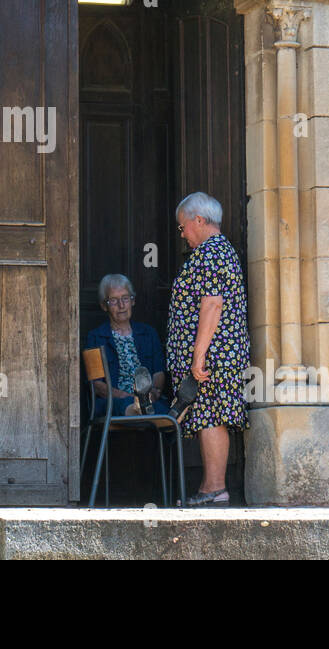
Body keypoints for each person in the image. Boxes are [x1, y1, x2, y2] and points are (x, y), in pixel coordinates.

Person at [167, 192, 250, 506]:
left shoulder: (211, 252)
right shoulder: (214, 252)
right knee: (204, 415)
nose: (183, 233)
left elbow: (212, 304)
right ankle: (208, 489)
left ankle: (215, 489)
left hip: (213, 356)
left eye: (183, 227)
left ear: (198, 220)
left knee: (211, 415)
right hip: (216, 354)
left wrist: (198, 354)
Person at [85, 274, 168, 417]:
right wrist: (129, 397)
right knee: (131, 406)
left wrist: (154, 392)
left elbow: (158, 373)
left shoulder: (149, 333)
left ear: (133, 301)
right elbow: (97, 385)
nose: (121, 305)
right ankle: (138, 408)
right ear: (104, 306)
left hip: (149, 400)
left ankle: (159, 408)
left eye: (125, 298)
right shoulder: (95, 337)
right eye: (114, 301)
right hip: (113, 401)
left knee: (167, 410)